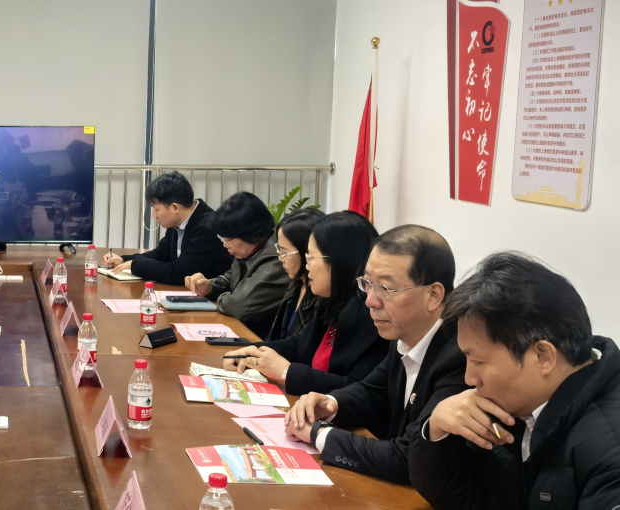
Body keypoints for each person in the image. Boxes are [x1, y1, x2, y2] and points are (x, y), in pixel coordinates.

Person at [408, 252, 620, 509]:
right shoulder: (516, 408)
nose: (469, 378)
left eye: (478, 361)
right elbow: (468, 501)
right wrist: (436, 431)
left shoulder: (609, 448)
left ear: (543, 357)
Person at [284, 225, 467, 484]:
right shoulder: (404, 332)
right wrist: (331, 403)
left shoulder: (461, 357)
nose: (370, 300)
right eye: (368, 284)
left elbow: (409, 457)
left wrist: (319, 434)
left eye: (386, 288)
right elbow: (372, 391)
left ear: (433, 294)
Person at [223, 211, 388, 395]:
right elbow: (301, 343)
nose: (307, 266)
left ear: (339, 260)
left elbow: (358, 389)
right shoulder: (333, 301)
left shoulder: (370, 314)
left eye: (311, 258)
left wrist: (287, 372)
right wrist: (254, 352)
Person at [185, 192, 291, 337]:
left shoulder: (276, 260)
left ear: (252, 233)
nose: (225, 245)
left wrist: (228, 297)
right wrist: (209, 286)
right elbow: (231, 278)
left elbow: (237, 306)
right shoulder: (250, 249)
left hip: (261, 339)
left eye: (229, 240)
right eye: (222, 238)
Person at [104, 172, 231, 286]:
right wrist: (124, 260)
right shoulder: (178, 221)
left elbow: (178, 273)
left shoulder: (207, 228)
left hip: (213, 299)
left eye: (156, 209)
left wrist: (136, 265)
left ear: (175, 207)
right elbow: (160, 254)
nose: (154, 215)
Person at [261, 209, 325, 341]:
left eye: (285, 253)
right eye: (280, 251)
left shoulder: (322, 295)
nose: (280, 258)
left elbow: (301, 347)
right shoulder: (295, 286)